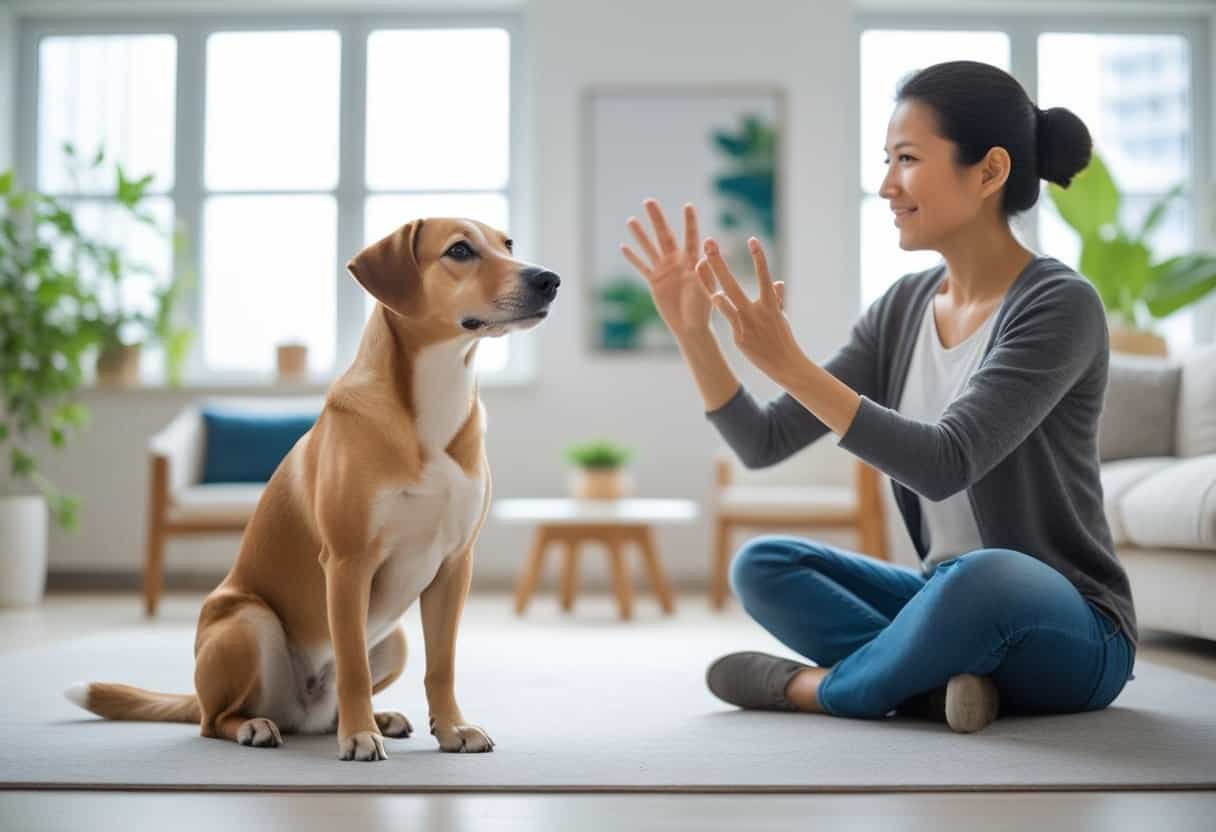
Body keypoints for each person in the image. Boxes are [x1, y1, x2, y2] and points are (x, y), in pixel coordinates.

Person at [620, 60, 1136, 734]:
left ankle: (823, 689)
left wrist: (790, 365)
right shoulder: (903, 307)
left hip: (1070, 627)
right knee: (766, 564)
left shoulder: (1059, 304)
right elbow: (762, 442)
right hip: (944, 599)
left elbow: (946, 462)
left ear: (989, 172)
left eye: (908, 159)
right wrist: (694, 334)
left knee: (985, 577)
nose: (888, 184)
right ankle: (938, 686)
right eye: (887, 160)